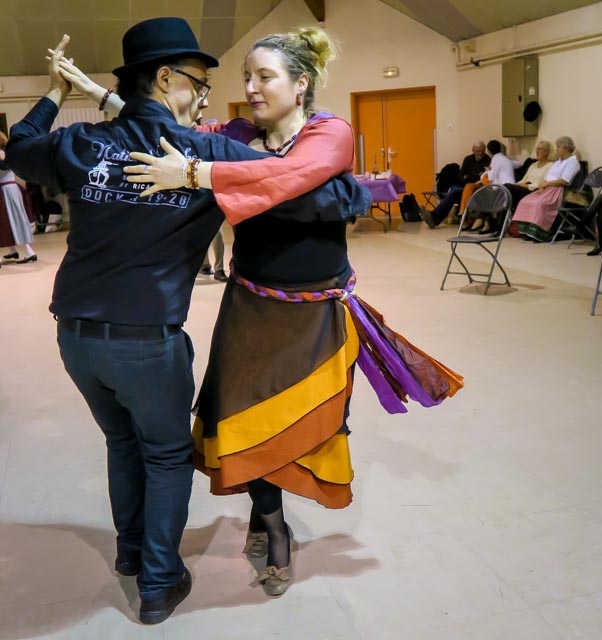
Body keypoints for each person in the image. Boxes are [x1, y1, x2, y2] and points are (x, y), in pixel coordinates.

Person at [6, 22, 369, 623]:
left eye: (261, 77)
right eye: (202, 83)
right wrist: (358, 196)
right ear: (166, 78)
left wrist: (55, 92)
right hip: (147, 343)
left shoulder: (82, 143)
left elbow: (19, 145)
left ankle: (130, 552)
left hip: (75, 338)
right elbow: (297, 186)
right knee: (165, 456)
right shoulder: (206, 151)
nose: (214, 94)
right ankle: (157, 585)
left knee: (122, 442)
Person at [122, 27, 464, 598]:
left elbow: (288, 180)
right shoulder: (238, 136)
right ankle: (272, 522)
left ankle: (270, 517)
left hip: (316, 314)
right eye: (246, 77)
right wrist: (101, 96)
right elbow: (171, 131)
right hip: (252, 309)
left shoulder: (328, 133)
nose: (251, 88)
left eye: (265, 76)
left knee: (309, 422)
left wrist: (196, 174)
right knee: (247, 419)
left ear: (300, 83)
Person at [512, 136, 581, 242]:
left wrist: (547, 184)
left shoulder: (573, 162)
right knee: (525, 201)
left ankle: (541, 234)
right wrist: (543, 186)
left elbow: (564, 181)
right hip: (547, 188)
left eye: (558, 147)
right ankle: (527, 232)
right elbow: (548, 177)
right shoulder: (557, 162)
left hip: (558, 190)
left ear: (565, 148)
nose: (556, 150)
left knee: (540, 204)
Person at [421, 140, 489, 228]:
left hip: (477, 188)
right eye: (477, 151)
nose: (480, 153)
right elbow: (460, 176)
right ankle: (435, 218)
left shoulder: (488, 161)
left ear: (485, 149)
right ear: (473, 150)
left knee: (455, 192)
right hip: (464, 185)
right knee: (454, 190)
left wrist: (472, 181)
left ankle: (435, 217)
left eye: (482, 150)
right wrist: (466, 181)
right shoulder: (468, 159)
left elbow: (485, 178)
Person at [0, 132, 37, 266]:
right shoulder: (6, 153)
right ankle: (12, 250)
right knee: (11, 219)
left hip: (6, 190)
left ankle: (29, 251)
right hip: (10, 188)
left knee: (10, 220)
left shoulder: (1, 154)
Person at [465, 138, 515, 235]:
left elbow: (491, 177)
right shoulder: (504, 159)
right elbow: (518, 164)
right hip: (508, 187)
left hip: (504, 189)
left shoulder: (496, 159)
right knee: (485, 192)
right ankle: (485, 223)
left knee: (482, 195)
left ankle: (484, 222)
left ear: (488, 150)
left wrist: (487, 171)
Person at [504, 140, 553, 210]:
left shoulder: (550, 166)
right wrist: (517, 184)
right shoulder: (533, 165)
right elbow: (524, 179)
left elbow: (542, 184)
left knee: (507, 188)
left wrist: (525, 186)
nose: (537, 151)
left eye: (540, 149)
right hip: (525, 187)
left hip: (534, 190)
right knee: (504, 188)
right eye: (537, 149)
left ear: (546, 152)